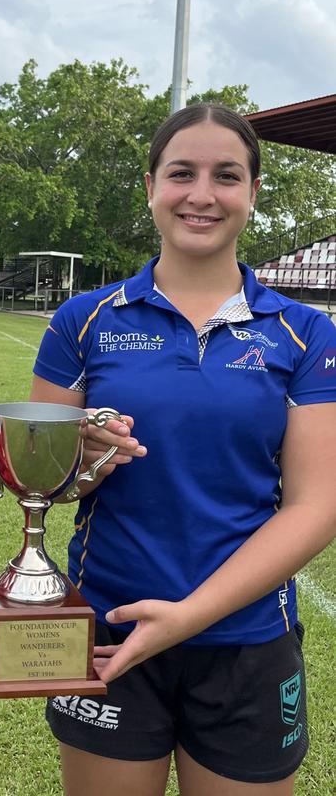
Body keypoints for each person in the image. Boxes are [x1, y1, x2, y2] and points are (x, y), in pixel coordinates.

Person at [31, 104, 336, 796]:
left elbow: (318, 506)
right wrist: (81, 460)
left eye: (226, 176)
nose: (202, 194)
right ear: (150, 186)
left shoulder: (305, 334)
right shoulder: (83, 321)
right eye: (181, 173)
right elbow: (45, 484)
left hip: (248, 643)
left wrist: (188, 618)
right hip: (109, 633)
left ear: (254, 193)